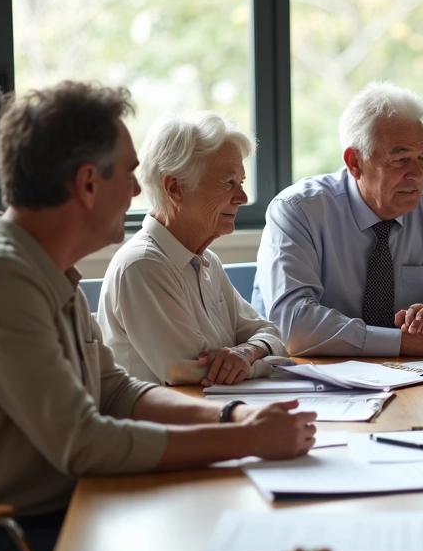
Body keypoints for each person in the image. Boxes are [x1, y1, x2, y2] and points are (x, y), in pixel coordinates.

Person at [0, 82, 315, 551]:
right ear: (86, 184)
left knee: (213, 537)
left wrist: (232, 417)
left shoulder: (46, 271)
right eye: (128, 174)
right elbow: (85, 442)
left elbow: (117, 392)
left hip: (36, 511)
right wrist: (245, 441)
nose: (135, 189)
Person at [253, 81, 423, 357]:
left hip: (411, 378)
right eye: (401, 159)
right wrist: (399, 342)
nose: (417, 174)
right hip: (313, 380)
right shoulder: (298, 210)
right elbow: (292, 326)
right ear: (354, 163)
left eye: (421, 157)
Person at [98, 111, 285, 386]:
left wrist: (248, 351)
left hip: (214, 413)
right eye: (228, 182)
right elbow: (190, 373)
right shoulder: (142, 265)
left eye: (241, 183)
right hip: (161, 425)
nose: (243, 198)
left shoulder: (206, 261)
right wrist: (259, 364)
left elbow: (270, 333)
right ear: (175, 188)